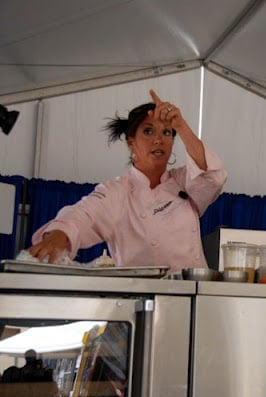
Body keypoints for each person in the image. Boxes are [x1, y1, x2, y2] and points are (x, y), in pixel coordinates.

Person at [28, 90, 227, 274]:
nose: (159, 140)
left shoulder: (183, 181)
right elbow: (82, 214)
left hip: (197, 294)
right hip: (146, 299)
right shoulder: (117, 192)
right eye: (148, 131)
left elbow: (212, 177)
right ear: (130, 142)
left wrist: (181, 126)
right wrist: (58, 234)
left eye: (166, 133)